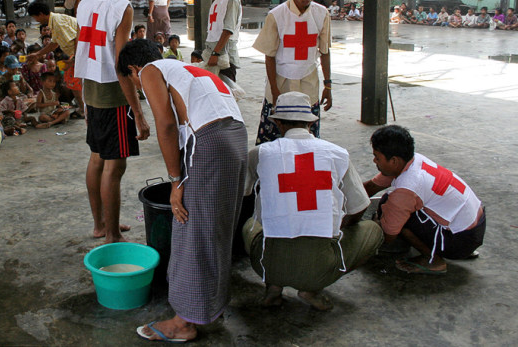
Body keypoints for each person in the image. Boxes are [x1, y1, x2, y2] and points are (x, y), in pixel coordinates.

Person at [118, 39, 247, 342]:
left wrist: (176, 181)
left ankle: (182, 322)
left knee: (190, 227)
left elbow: (165, 125)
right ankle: (210, 307)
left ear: (134, 69)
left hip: (210, 143)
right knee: (216, 230)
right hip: (236, 139)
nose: (139, 87)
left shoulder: (150, 71)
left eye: (133, 81)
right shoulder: (188, 68)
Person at [242, 92, 382, 311]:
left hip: (267, 264)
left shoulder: (259, 153)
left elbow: (244, 193)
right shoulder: (337, 154)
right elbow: (360, 206)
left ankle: (273, 288)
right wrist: (340, 227)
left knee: (249, 227)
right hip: (319, 269)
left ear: (278, 122)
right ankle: (311, 290)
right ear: (311, 123)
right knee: (373, 229)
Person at [74, 0, 149, 243]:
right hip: (112, 93)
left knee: (96, 158)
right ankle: (113, 235)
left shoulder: (84, 4)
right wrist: (139, 113)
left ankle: (101, 224)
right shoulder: (122, 7)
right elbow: (121, 63)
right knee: (114, 164)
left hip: (90, 88)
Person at [364, 125, 485, 275]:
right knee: (391, 205)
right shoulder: (412, 161)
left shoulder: (407, 189)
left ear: (394, 160)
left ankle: (433, 259)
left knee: (391, 210)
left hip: (461, 241)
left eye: (377, 157)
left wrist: (374, 224)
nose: (374, 160)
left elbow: (388, 236)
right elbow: (370, 187)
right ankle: (442, 244)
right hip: (476, 226)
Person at [252, 0, 332, 144]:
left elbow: (325, 51)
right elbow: (269, 55)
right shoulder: (277, 15)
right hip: (281, 82)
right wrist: (274, 90)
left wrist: (328, 85)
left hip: (308, 82)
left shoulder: (322, 14)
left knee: (307, 137)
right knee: (273, 136)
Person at [27, 0, 85, 118]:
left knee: (76, 85)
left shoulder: (58, 23)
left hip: (80, 55)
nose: (36, 20)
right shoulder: (54, 22)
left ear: (41, 14)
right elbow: (54, 43)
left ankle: (84, 109)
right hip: (75, 55)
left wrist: (74, 60)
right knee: (74, 84)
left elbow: (77, 39)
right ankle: (83, 107)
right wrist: (37, 54)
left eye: (35, 17)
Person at [202, 0, 243, 82]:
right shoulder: (217, 1)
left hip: (224, 56)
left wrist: (216, 53)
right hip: (214, 52)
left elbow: (228, 30)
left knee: (227, 93)